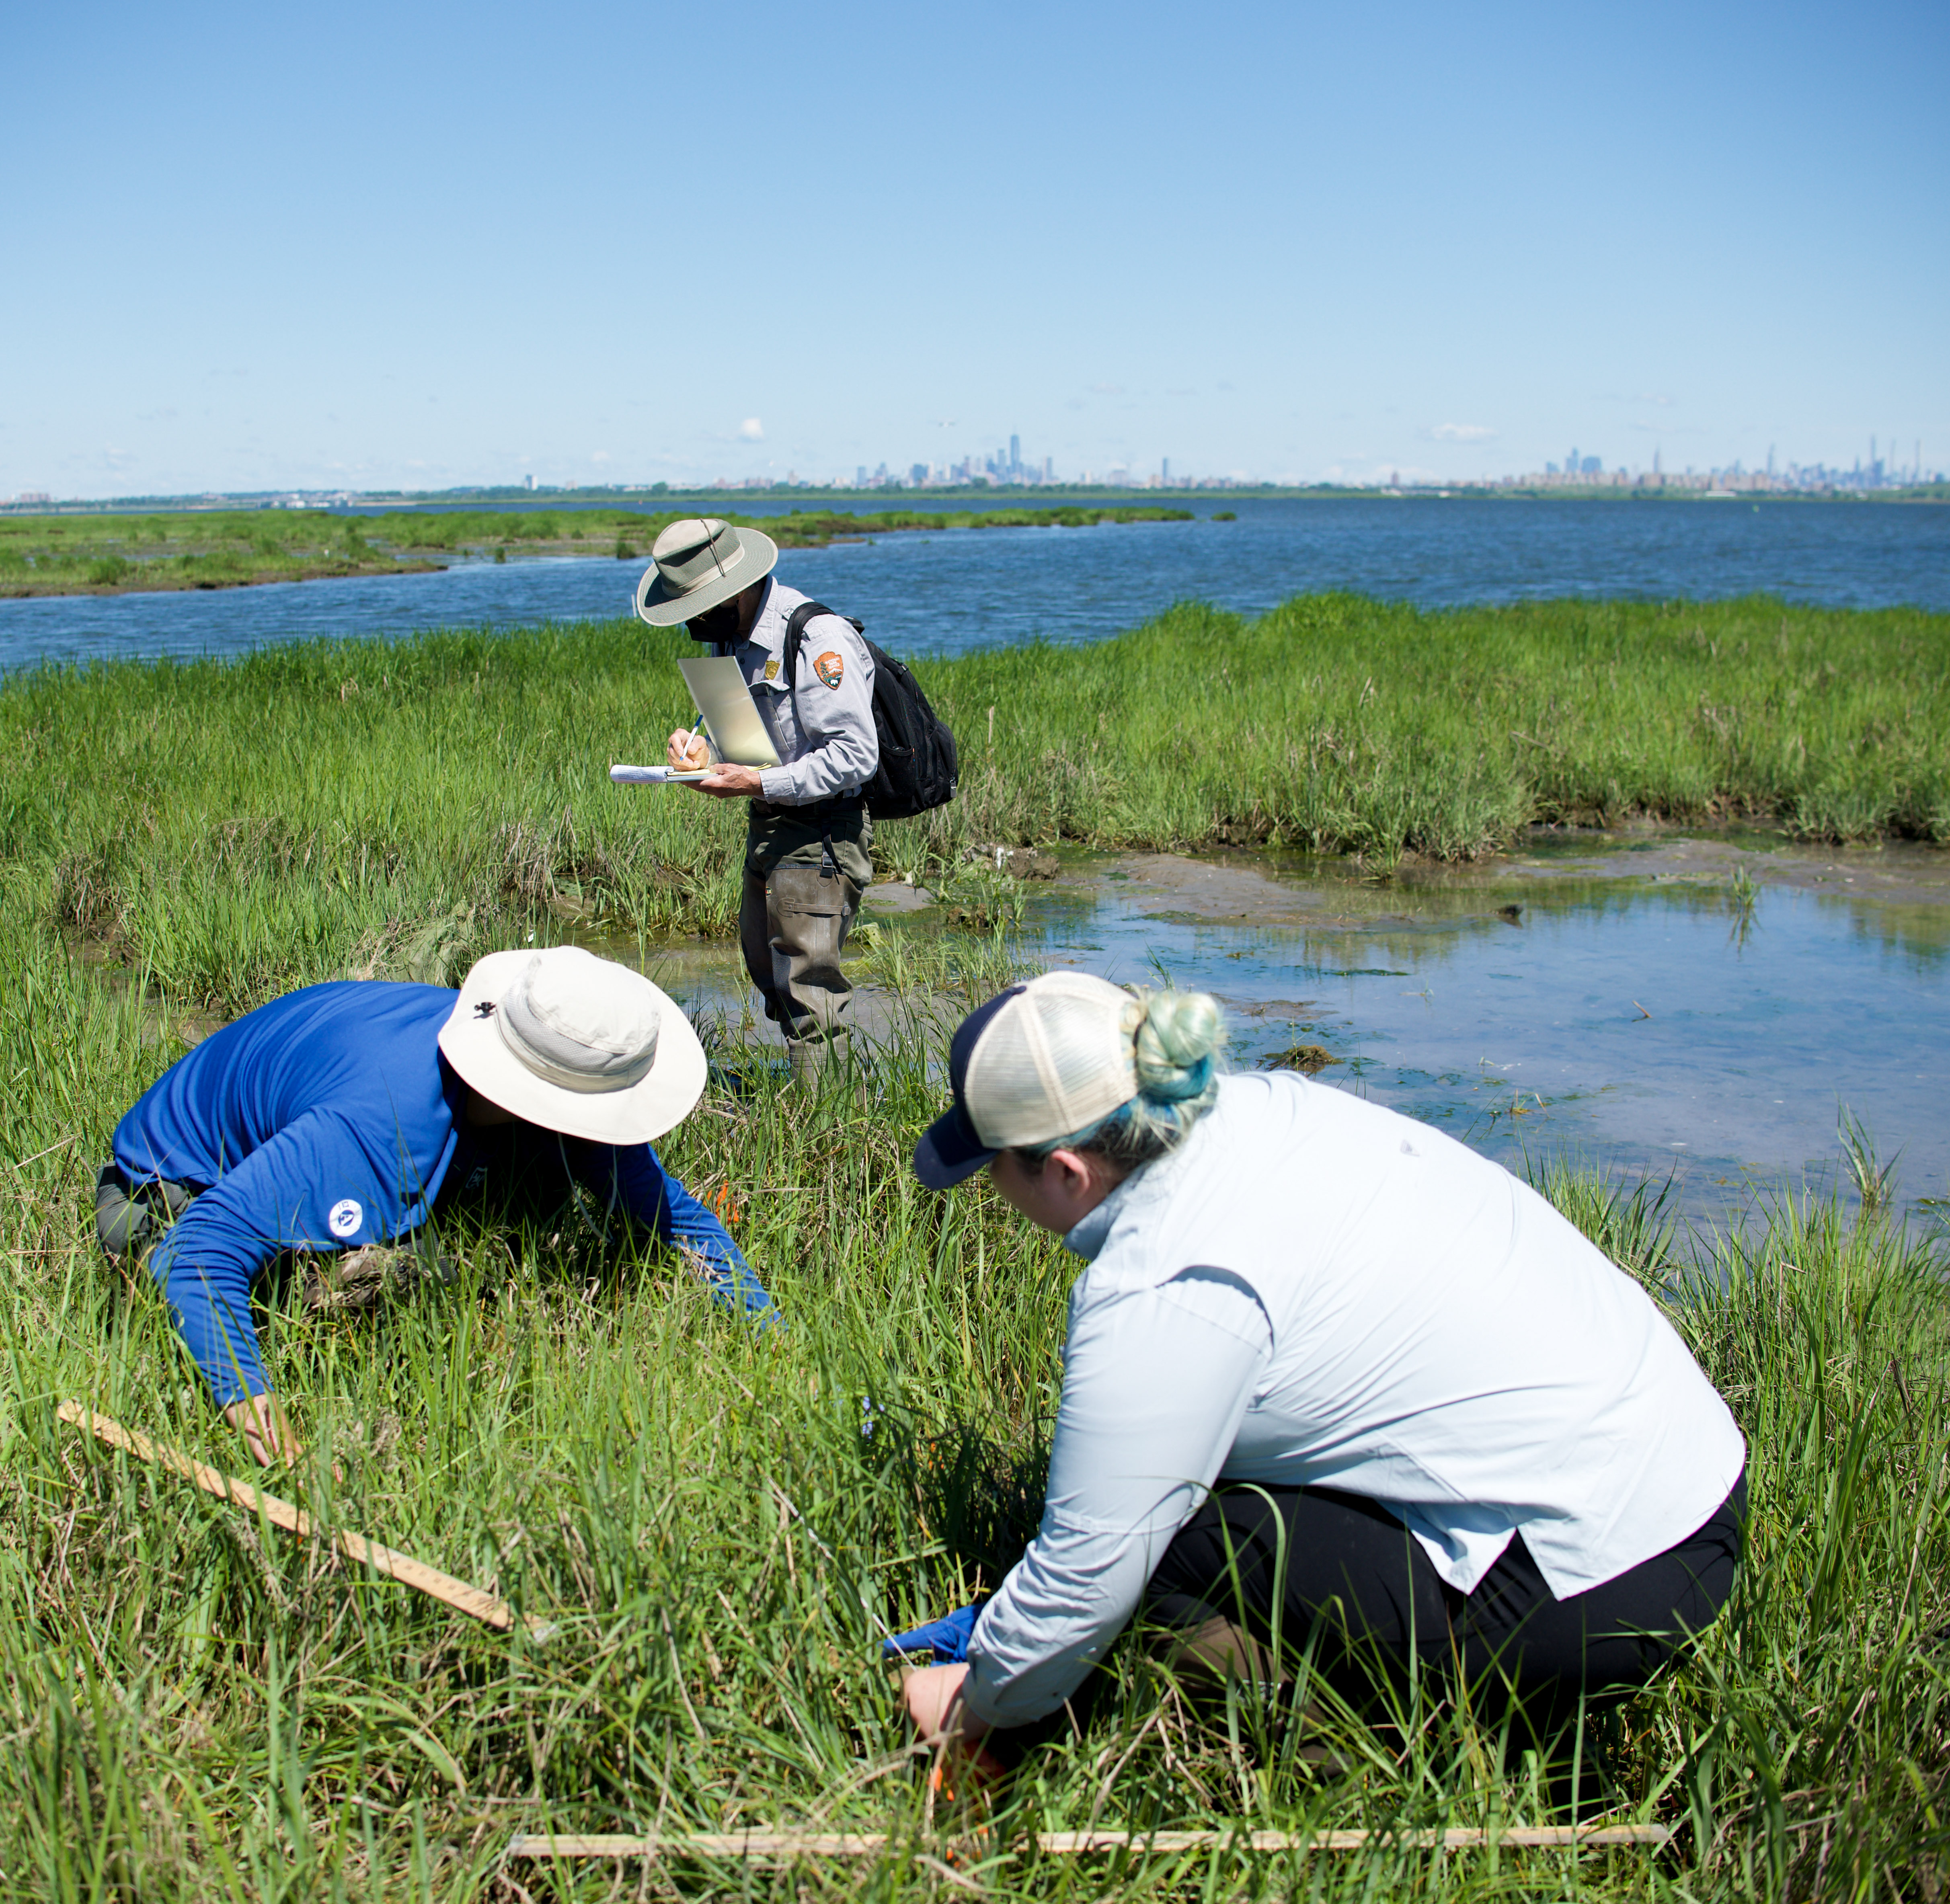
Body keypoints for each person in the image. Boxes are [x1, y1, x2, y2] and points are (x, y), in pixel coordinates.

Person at [893, 971, 1748, 1774]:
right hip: (1691, 1480)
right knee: (1183, 1495)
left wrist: (976, 1704)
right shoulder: (1269, 1108)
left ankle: (1361, 1756)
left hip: (1596, 1583)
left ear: (1067, 1170)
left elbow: (1090, 1566)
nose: (992, 1189)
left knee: (1166, 1546)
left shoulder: (1161, 1284)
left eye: (993, 1165)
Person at [96, 946, 776, 1466]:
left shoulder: (562, 1070)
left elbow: (678, 1221)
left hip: (341, 1133)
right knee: (364, 1295)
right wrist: (269, 1433)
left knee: (493, 1239)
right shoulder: (377, 1124)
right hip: (171, 1190)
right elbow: (201, 1253)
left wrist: (772, 1342)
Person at [638, 517, 877, 1077]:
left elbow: (854, 756)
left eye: (698, 604)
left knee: (808, 990)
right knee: (769, 971)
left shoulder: (817, 638)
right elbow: (748, 739)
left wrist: (754, 781)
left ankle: (830, 1140)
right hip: (768, 822)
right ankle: (814, 1095)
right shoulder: (729, 636)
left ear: (737, 587)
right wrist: (701, 752)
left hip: (821, 830)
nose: (693, 619)